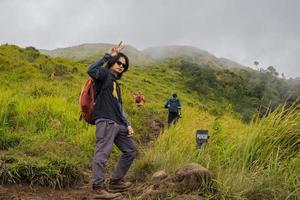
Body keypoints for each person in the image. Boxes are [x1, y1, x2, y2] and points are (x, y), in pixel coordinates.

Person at [87, 42, 137, 199]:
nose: (122, 66)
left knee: (130, 150)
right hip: (106, 120)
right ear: (112, 63)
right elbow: (90, 70)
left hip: (118, 123)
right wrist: (108, 55)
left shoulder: (116, 84)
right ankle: (98, 188)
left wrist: (127, 124)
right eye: (119, 62)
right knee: (102, 153)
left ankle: (115, 181)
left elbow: (120, 107)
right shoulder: (103, 75)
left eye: (124, 65)